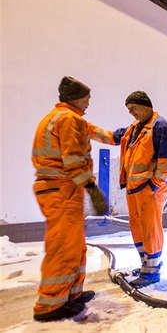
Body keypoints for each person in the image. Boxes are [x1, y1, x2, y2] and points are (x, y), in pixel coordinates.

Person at [31, 76, 108, 322]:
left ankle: (72, 294)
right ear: (77, 97)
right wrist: (92, 188)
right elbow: (73, 159)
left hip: (60, 189)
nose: (89, 102)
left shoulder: (61, 117)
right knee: (63, 247)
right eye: (87, 97)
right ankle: (50, 305)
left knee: (74, 244)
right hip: (61, 188)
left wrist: (126, 133)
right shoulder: (69, 119)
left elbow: (98, 133)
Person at [91, 91, 167, 288]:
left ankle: (152, 272)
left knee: (150, 229)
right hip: (134, 189)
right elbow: (112, 137)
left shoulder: (160, 126)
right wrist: (86, 129)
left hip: (149, 190)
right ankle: (147, 265)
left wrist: (153, 185)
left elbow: (166, 162)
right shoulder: (134, 128)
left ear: (144, 105)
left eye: (133, 109)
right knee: (137, 228)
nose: (132, 113)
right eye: (129, 110)